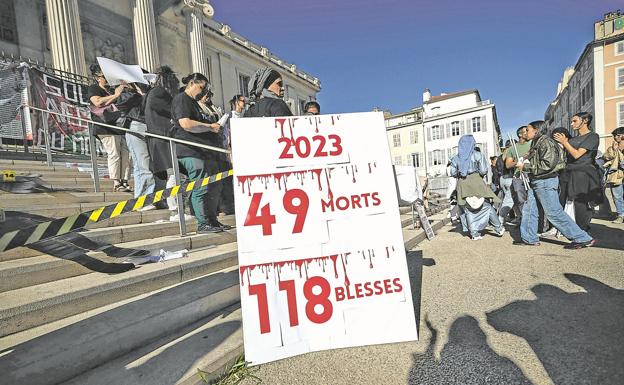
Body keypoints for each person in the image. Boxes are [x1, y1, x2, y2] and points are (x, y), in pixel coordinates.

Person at [515, 120, 594, 249]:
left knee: (553, 212)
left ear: (536, 130)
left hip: (545, 181)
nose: (525, 133)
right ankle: (529, 238)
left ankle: (582, 238)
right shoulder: (538, 142)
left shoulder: (546, 142)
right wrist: (526, 158)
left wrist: (526, 167)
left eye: (527, 130)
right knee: (529, 210)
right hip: (537, 181)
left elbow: (548, 164)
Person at [171, 73, 229, 233]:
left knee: (213, 187)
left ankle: (212, 220)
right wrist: (210, 127)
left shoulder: (194, 103)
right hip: (190, 150)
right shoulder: (182, 99)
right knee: (201, 186)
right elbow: (186, 123)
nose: (203, 92)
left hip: (204, 151)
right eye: (201, 87)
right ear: (191, 83)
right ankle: (202, 223)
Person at [553, 112, 603, 231]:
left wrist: (565, 142)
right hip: (568, 171)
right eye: (571, 121)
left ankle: (582, 231)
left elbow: (577, 155)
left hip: (582, 172)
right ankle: (567, 228)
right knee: (562, 199)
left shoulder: (592, 136)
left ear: (585, 121)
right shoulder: (573, 139)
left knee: (580, 202)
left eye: (574, 121)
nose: (571, 124)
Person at [449, 134, 504, 240]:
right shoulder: (478, 154)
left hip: (462, 184)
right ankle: (499, 228)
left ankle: (474, 234)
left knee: (468, 209)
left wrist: (461, 173)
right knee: (487, 206)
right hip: (476, 181)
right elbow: (483, 170)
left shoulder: (456, 158)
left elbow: (452, 172)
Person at [87, 64, 132, 192]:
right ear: (97, 78)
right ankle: (116, 182)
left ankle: (124, 180)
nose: (107, 79)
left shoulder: (111, 90)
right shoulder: (94, 88)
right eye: (104, 76)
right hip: (105, 126)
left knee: (126, 154)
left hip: (119, 126)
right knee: (114, 153)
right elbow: (97, 102)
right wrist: (115, 96)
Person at [122, 82, 155, 203]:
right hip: (136, 125)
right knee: (142, 164)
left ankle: (148, 197)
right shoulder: (128, 93)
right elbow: (121, 105)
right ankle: (142, 200)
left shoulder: (150, 93)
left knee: (146, 164)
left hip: (149, 126)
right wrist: (137, 92)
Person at [504, 126, 532, 225]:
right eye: (526, 131)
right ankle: (524, 221)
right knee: (521, 200)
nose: (528, 133)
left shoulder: (532, 144)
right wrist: (518, 160)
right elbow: (508, 165)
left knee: (533, 200)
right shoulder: (512, 148)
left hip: (531, 175)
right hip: (519, 177)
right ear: (520, 134)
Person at [603, 126, 624, 223]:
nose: (616, 137)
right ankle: (621, 215)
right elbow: (606, 157)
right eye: (615, 136)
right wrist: (614, 149)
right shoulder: (611, 148)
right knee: (617, 196)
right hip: (616, 175)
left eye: (619, 135)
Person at [498, 141, 515, 224]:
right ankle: (500, 219)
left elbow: (498, 169)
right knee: (509, 200)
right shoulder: (511, 155)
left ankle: (518, 217)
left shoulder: (500, 157)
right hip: (510, 179)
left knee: (510, 199)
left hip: (502, 179)